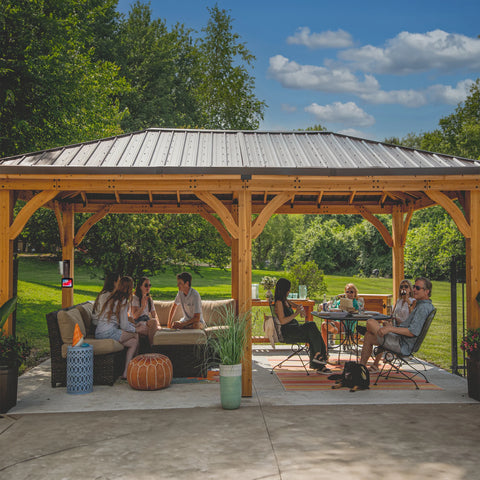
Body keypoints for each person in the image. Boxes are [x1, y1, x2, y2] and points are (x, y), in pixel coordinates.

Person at [359, 277, 434, 373]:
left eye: (417, 288)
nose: (414, 289)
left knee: (370, 322)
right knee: (368, 335)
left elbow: (412, 332)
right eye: (414, 287)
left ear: (427, 291)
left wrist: (390, 329)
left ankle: (373, 331)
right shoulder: (422, 305)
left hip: (402, 344)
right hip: (400, 338)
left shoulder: (422, 308)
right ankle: (361, 369)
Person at [274, 278, 330, 374]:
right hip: (288, 332)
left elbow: (297, 306)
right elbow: (282, 321)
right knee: (311, 327)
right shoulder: (279, 303)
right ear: (284, 290)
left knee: (313, 331)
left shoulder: (285, 301)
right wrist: (296, 313)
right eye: (288, 289)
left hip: (294, 328)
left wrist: (300, 308)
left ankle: (319, 359)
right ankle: (320, 360)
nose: (289, 291)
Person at [95, 276, 146, 379]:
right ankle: (132, 370)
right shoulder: (123, 301)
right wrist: (137, 329)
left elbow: (122, 323)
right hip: (109, 333)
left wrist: (134, 325)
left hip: (99, 333)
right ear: (129, 288)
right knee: (135, 336)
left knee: (132, 342)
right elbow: (123, 325)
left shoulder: (111, 297)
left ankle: (127, 372)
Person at [321, 283, 361, 347]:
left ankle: (333, 331)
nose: (349, 294)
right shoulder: (341, 301)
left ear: (355, 293)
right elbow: (333, 304)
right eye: (347, 292)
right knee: (324, 325)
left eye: (351, 292)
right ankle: (324, 347)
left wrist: (351, 310)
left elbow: (358, 312)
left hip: (348, 325)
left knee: (327, 325)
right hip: (339, 322)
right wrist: (328, 303)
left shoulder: (356, 303)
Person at [131, 277, 161, 345]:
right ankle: (152, 348)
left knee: (154, 322)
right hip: (137, 322)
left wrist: (159, 325)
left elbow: (154, 314)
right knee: (152, 326)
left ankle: (151, 347)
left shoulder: (149, 299)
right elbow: (135, 316)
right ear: (140, 286)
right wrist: (143, 306)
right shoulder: (134, 298)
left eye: (149, 285)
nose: (148, 287)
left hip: (146, 321)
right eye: (146, 285)